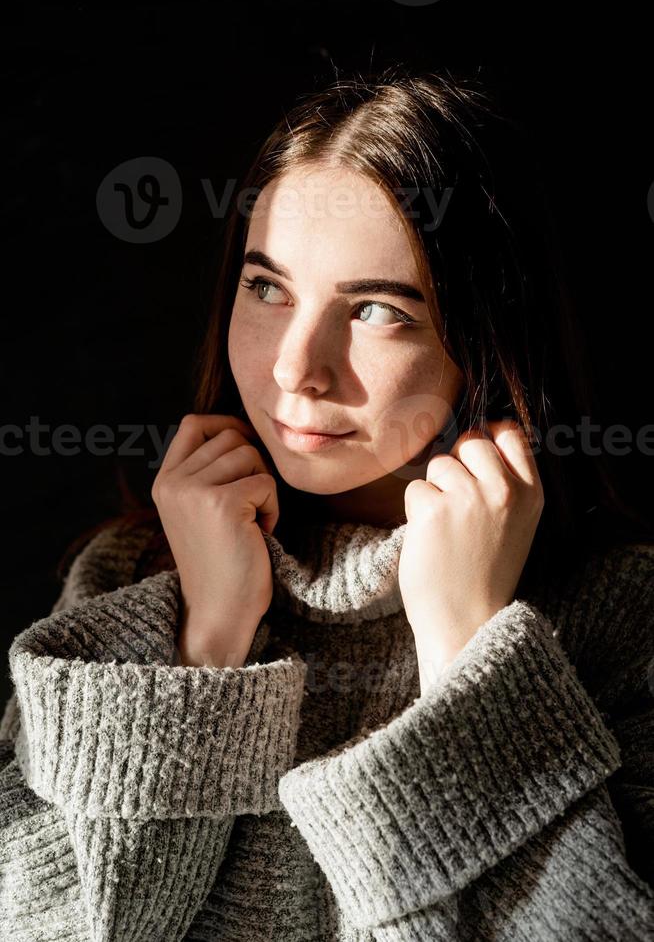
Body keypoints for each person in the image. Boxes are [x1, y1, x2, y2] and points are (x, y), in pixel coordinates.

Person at [1, 66, 653, 940]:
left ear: (490, 338)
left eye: (379, 310)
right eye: (266, 287)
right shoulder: (129, 576)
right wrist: (206, 637)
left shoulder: (624, 617)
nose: (294, 369)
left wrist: (467, 651)